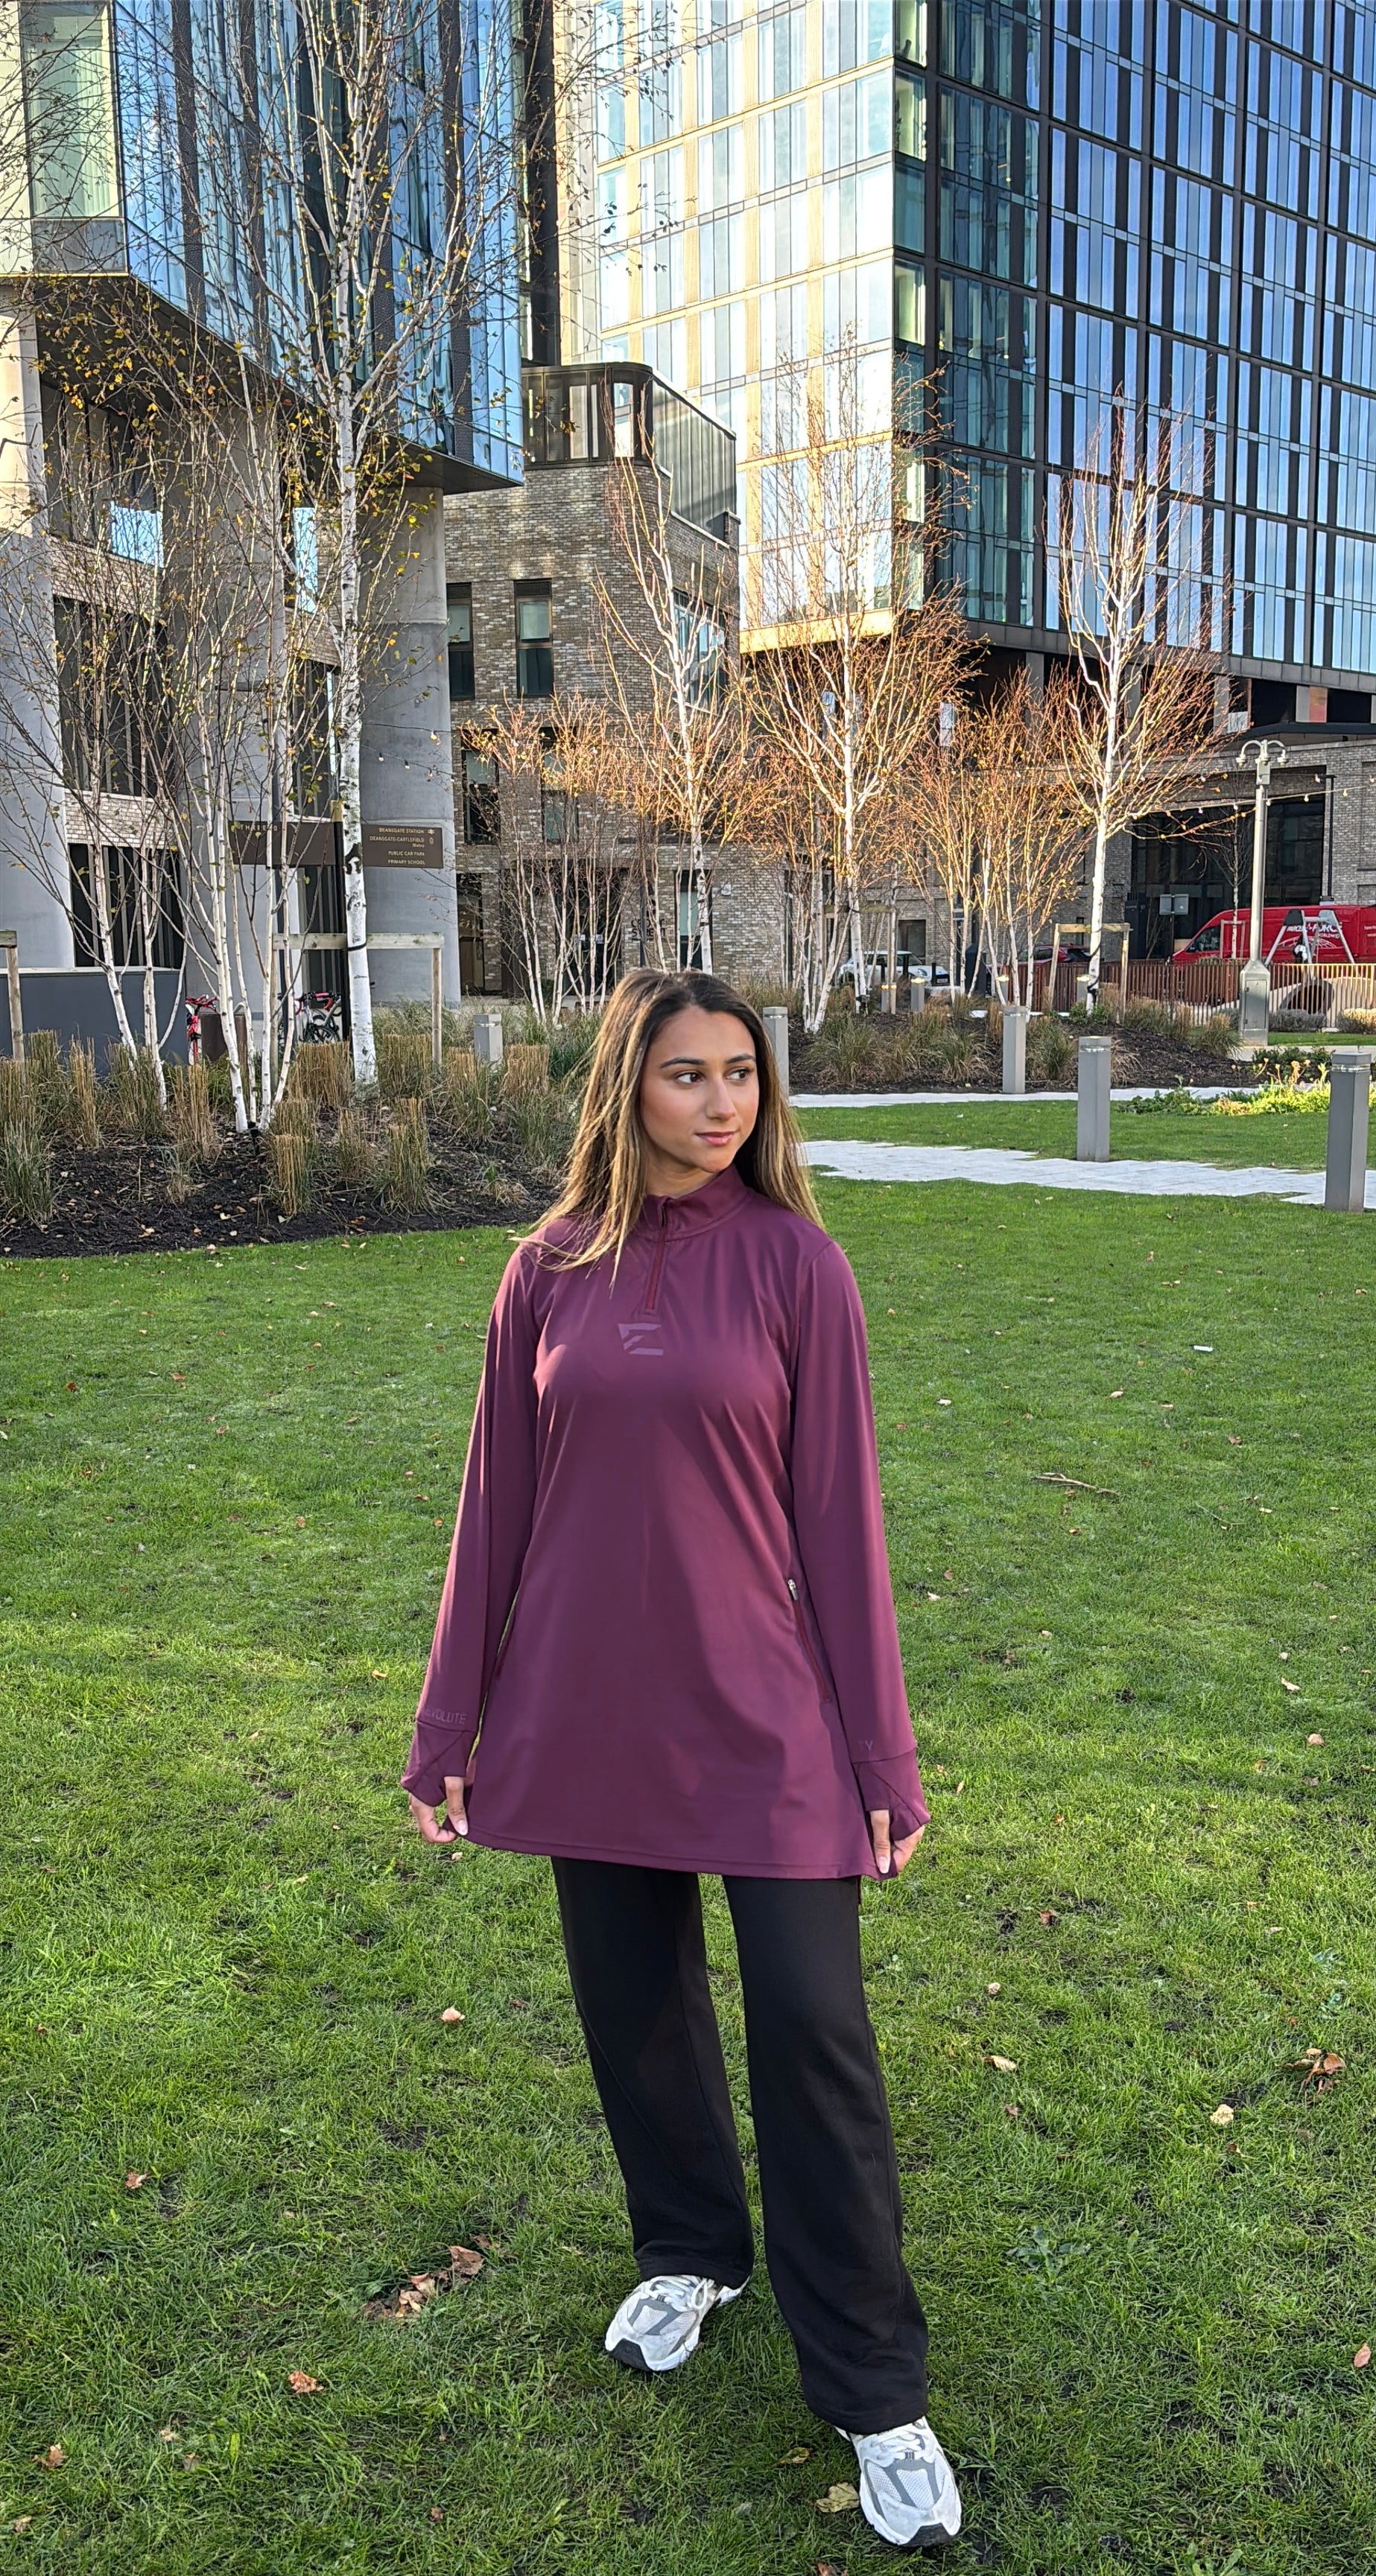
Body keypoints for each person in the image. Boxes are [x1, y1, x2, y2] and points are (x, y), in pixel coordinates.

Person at [402, 968, 960, 2550]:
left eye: (741, 1075)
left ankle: (874, 2388)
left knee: (813, 2024)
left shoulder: (798, 1264)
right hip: (585, 1705)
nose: (722, 1103)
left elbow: (841, 1525)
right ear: (624, 1088)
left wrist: (883, 1756)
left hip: (764, 1713)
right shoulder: (545, 1270)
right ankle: (692, 2250)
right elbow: (494, 1508)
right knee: (633, 2004)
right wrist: (448, 1725)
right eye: (687, 1074)